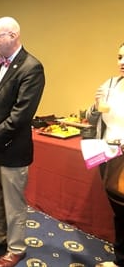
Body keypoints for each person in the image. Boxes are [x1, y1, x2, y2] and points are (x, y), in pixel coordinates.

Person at [0, 16, 45, 267]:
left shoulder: (32, 67)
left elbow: (21, 115)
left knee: (13, 204)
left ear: (13, 36)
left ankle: (15, 248)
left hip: (12, 149)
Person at [87, 43, 124, 267]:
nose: (122, 62)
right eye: (120, 57)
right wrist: (94, 105)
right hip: (110, 153)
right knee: (119, 212)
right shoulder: (111, 83)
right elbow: (92, 118)